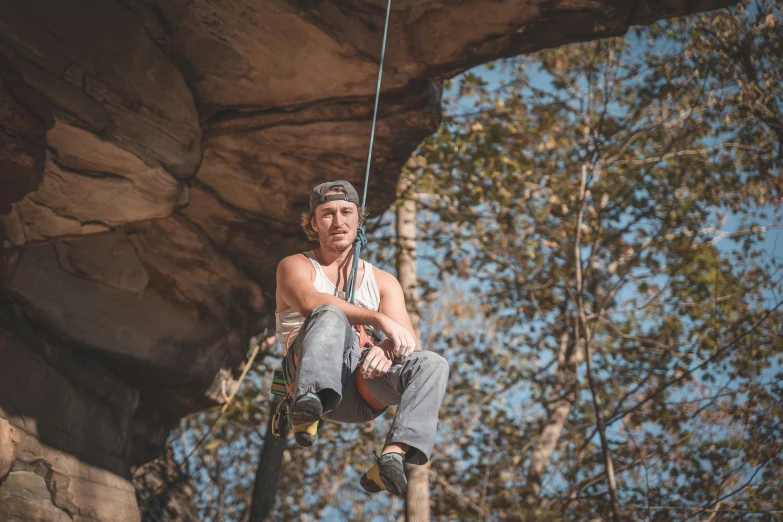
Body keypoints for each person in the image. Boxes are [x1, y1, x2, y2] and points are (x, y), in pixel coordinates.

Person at [275, 180, 449, 497]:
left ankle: (393, 456)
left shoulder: (382, 281)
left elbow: (406, 338)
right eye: (327, 214)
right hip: (307, 375)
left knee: (432, 364)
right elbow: (310, 303)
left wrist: (385, 345)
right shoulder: (295, 265)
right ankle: (307, 406)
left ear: (359, 219)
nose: (338, 221)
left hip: (363, 390)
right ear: (313, 223)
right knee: (330, 314)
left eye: (346, 212)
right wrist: (378, 319)